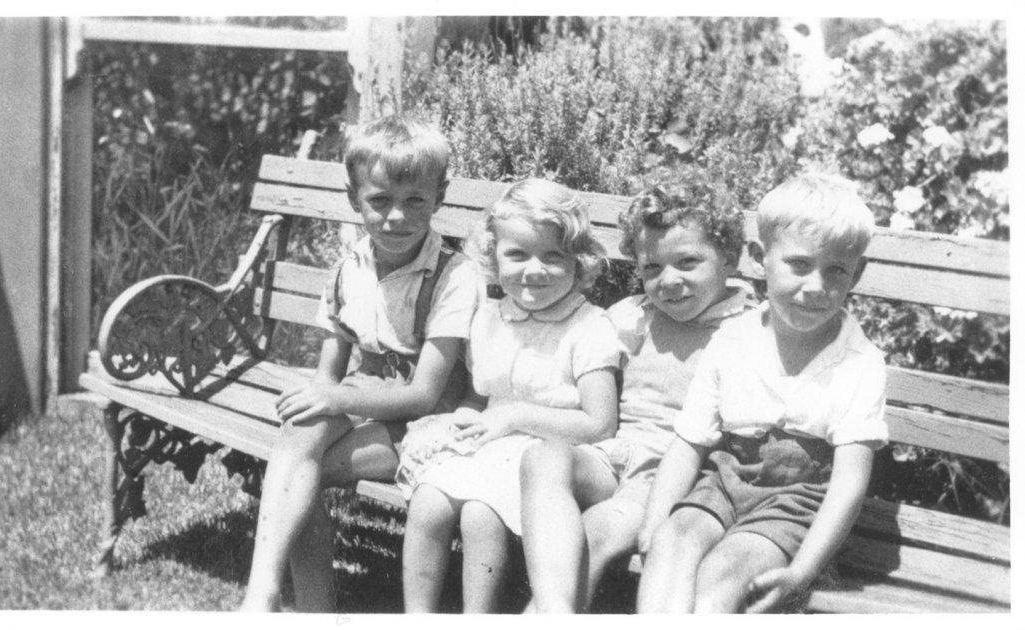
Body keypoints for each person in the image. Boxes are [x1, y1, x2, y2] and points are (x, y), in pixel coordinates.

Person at [240, 114, 481, 612]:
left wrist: (335, 398)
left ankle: (311, 609)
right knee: (299, 438)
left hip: (423, 423)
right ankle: (264, 591)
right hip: (364, 398)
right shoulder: (350, 268)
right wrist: (320, 406)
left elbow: (424, 396)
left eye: (415, 200)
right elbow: (330, 373)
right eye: (380, 201)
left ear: (440, 197)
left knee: (301, 477)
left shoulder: (455, 277)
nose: (397, 216)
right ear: (354, 200)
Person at [636, 172, 888, 613]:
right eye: (799, 264)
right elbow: (688, 443)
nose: (815, 286)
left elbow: (849, 485)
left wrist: (803, 571)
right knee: (672, 542)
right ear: (759, 258)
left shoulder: (858, 363)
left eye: (836, 270)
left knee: (723, 571)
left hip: (799, 502)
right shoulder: (733, 340)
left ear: (858, 273)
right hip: (728, 479)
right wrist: (655, 521)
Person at [519, 183, 753, 613]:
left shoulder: (750, 329)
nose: (668, 282)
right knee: (543, 457)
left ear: (731, 260)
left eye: (688, 263)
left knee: (597, 531)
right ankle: (555, 613)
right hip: (614, 454)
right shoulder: (634, 317)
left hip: (670, 474)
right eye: (651, 268)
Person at [395, 178, 622, 613]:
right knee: (428, 501)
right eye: (516, 254)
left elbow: (599, 423)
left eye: (553, 256)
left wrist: (515, 416)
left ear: (579, 262)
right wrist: (460, 418)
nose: (533, 271)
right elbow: (481, 398)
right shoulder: (489, 320)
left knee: (481, 512)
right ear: (493, 257)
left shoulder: (589, 328)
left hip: (550, 456)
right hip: (491, 443)